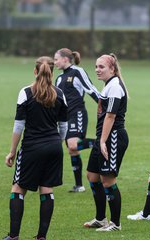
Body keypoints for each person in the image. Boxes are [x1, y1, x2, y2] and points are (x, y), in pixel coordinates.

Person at [3, 56, 68, 240]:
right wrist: (57, 142)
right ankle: (41, 237)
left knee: (18, 190)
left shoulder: (26, 92)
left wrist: (12, 151)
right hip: (54, 147)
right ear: (52, 72)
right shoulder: (60, 94)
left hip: (32, 147)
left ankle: (13, 236)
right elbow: (63, 127)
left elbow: (18, 126)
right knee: (46, 189)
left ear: (35, 71)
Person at [83, 53, 129, 231]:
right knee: (92, 176)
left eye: (101, 67)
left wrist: (102, 141)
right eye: (96, 66)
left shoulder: (115, 86)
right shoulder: (108, 85)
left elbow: (110, 116)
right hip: (103, 137)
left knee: (108, 180)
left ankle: (115, 223)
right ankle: (101, 218)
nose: (97, 70)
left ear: (112, 69)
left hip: (113, 137)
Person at [54, 48, 100, 193]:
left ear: (65, 59)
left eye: (56, 59)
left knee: (73, 146)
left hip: (77, 114)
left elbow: (91, 89)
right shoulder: (59, 78)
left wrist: (105, 107)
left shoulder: (77, 72)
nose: (54, 62)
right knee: (72, 151)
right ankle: (79, 185)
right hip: (64, 118)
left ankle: (100, 143)